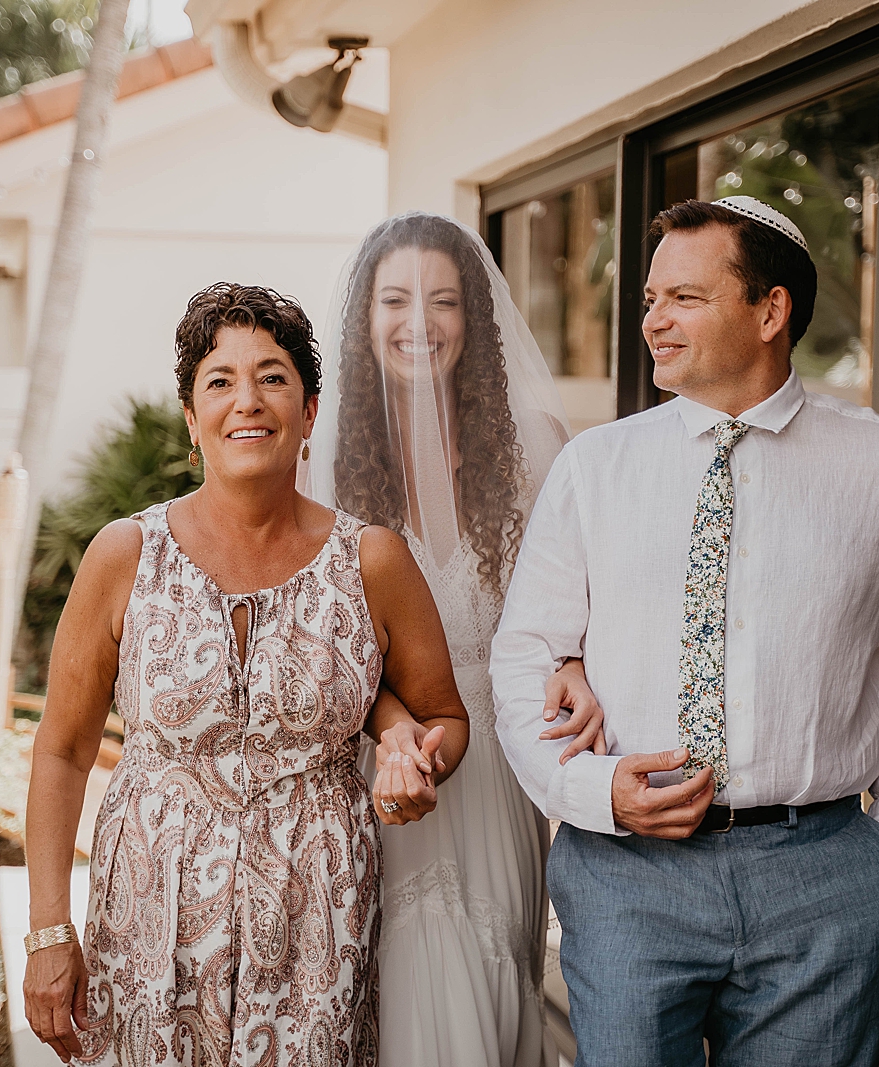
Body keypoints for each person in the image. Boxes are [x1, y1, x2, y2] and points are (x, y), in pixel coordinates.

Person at [491, 197, 879, 1067]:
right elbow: (525, 653)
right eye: (649, 299)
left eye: (684, 297)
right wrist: (597, 793)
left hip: (826, 879)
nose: (653, 320)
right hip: (626, 878)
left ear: (770, 310)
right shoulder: (595, 469)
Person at [22, 282, 471, 1065]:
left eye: (272, 376)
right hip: (147, 928)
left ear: (309, 411)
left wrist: (415, 757)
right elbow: (60, 750)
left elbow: (444, 717)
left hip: (316, 931)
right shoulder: (124, 556)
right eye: (219, 381)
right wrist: (50, 930)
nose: (247, 401)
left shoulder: (374, 562)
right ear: (192, 420)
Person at [308, 211, 604, 1067]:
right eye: (395, 300)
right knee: (393, 979)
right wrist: (392, 729)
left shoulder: (538, 450)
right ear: (365, 318)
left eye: (443, 301)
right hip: (376, 757)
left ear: (475, 317)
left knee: (492, 964)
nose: (419, 322)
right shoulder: (322, 463)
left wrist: (576, 658)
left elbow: (584, 601)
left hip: (500, 755)